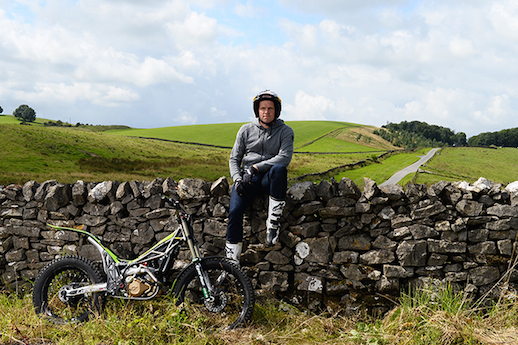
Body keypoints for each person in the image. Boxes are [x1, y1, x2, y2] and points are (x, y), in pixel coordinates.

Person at [225, 90, 294, 266]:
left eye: (270, 108)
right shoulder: (246, 130)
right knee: (234, 212)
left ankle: (272, 226)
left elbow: (284, 157)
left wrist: (255, 168)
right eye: (263, 108)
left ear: (276, 111)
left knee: (279, 169)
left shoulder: (285, 131)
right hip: (248, 180)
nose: (266, 112)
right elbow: (234, 158)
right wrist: (237, 179)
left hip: (268, 178)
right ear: (257, 110)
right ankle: (231, 263)